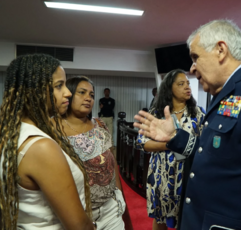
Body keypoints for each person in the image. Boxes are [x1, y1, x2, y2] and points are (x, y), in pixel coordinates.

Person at [133, 19, 241, 230]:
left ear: (221, 50)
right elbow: (216, 151)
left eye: (195, 57)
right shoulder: (230, 91)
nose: (192, 68)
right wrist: (176, 137)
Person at [0, 54, 96, 229]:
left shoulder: (12, 132)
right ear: (33, 90)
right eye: (59, 86)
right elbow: (78, 225)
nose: (68, 93)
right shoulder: (41, 147)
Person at [60, 76, 133, 230]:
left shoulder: (100, 126)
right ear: (69, 94)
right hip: (76, 213)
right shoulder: (53, 130)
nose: (88, 98)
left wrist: (121, 200)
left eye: (92, 95)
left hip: (110, 210)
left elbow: (112, 168)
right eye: (82, 92)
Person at [136, 69, 205, 230]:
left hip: (187, 172)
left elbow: (203, 144)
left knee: (186, 217)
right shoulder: (156, 113)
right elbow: (142, 143)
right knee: (160, 218)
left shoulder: (198, 114)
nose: (187, 87)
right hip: (161, 173)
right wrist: (170, 143)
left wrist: (179, 142)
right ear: (169, 88)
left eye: (187, 83)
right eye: (181, 84)